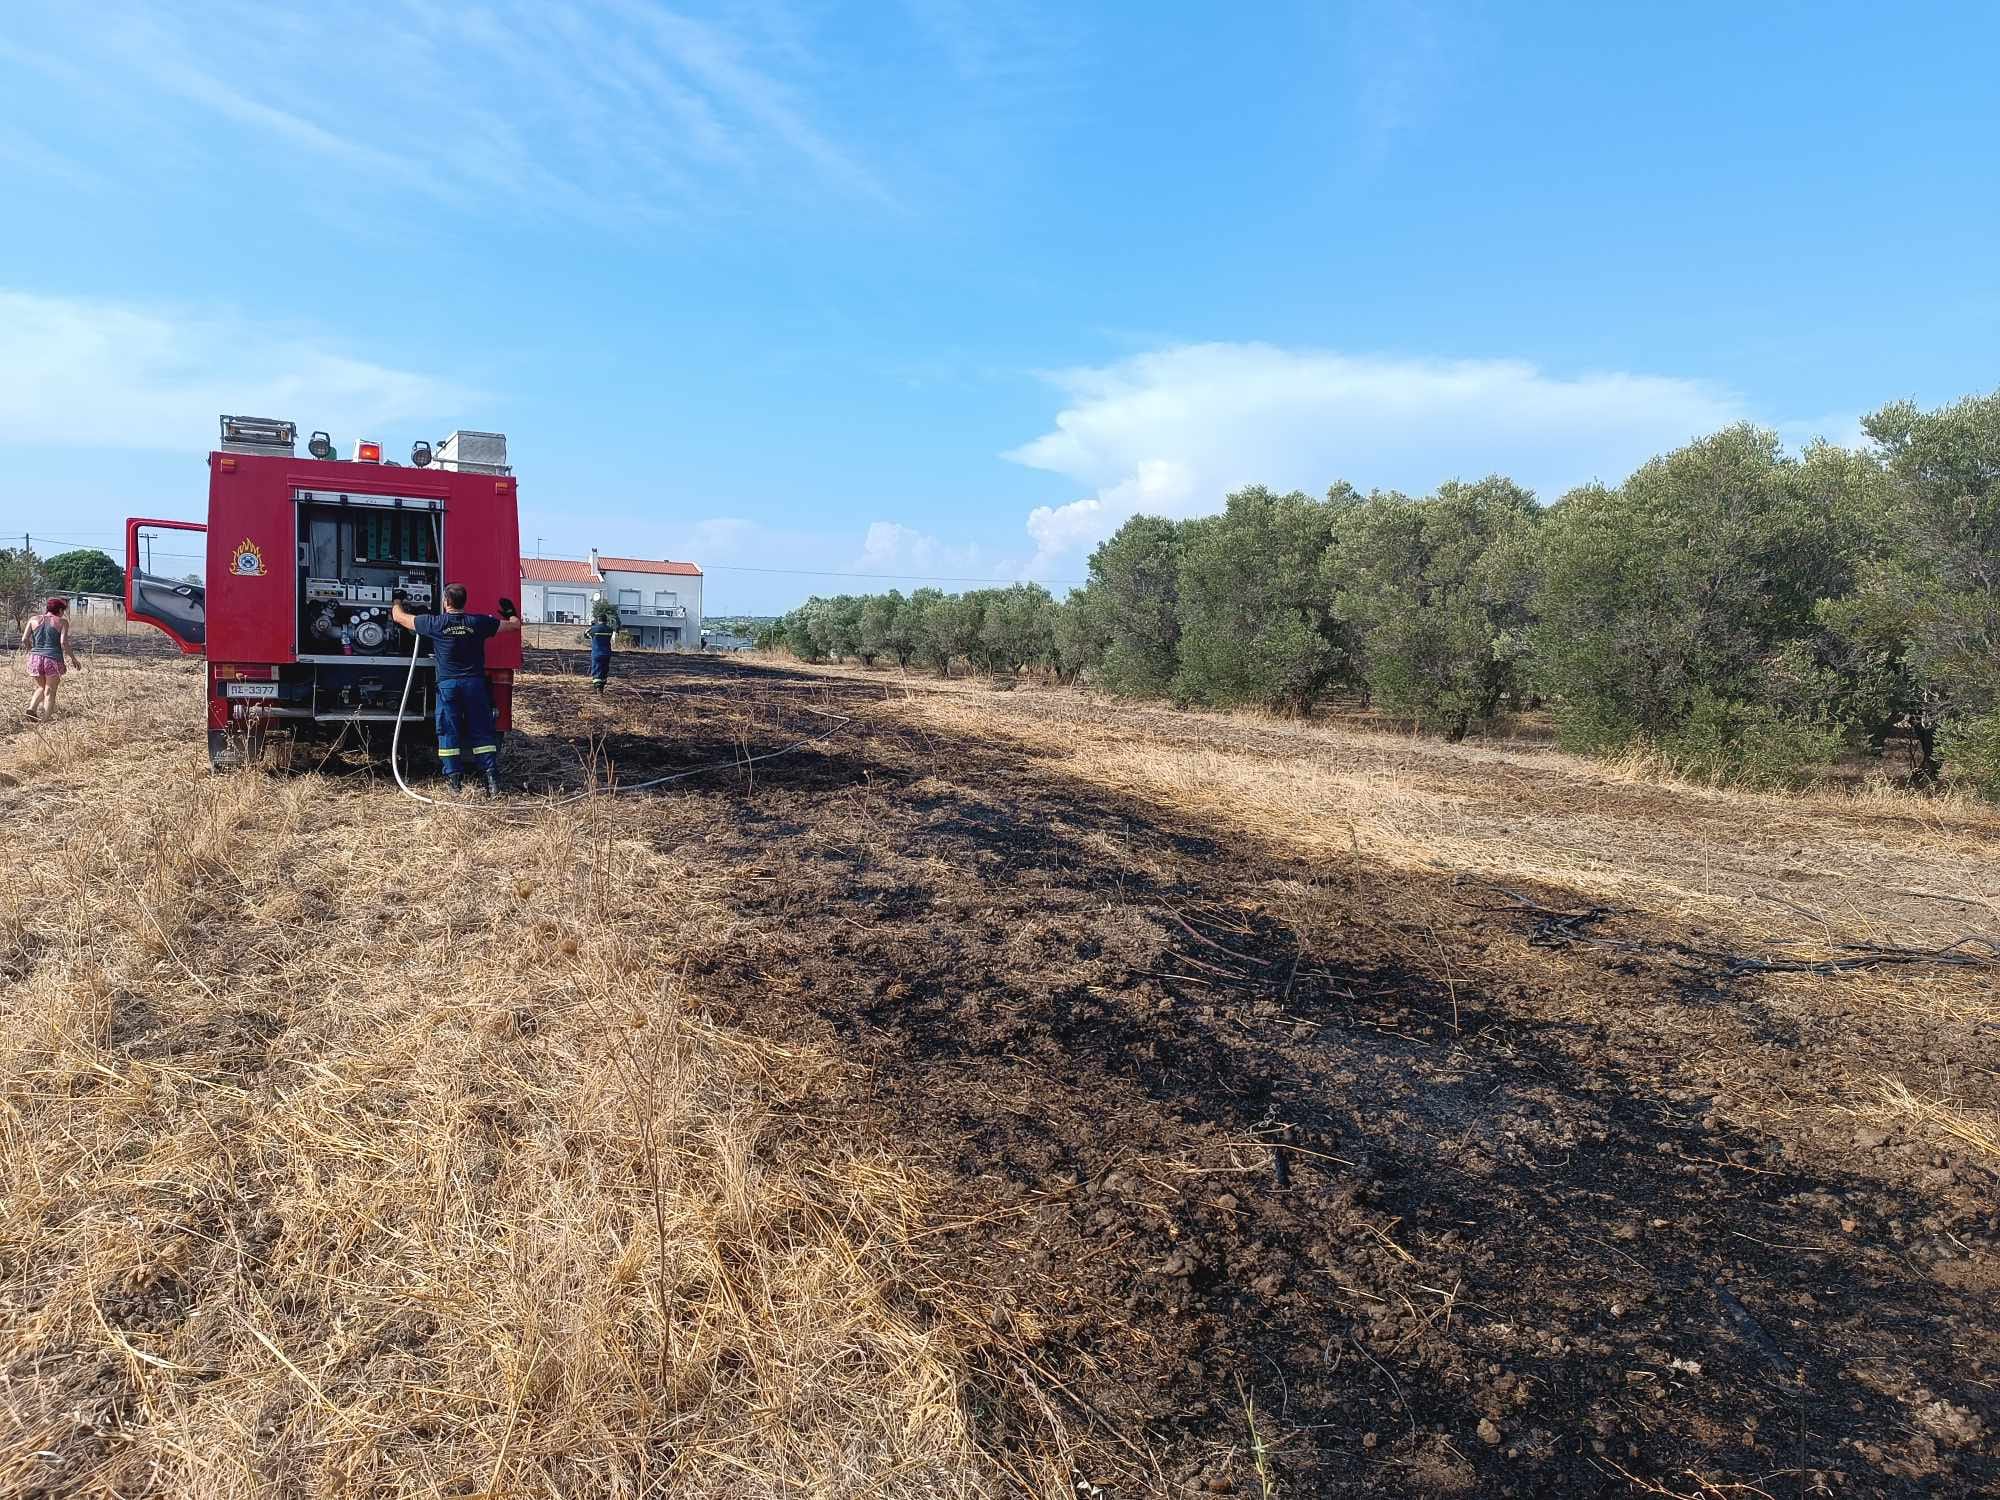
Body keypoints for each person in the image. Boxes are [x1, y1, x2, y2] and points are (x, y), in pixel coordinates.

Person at [390, 584, 521, 795]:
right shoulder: (478, 623)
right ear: (464, 602)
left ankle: (454, 782)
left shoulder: (434, 623)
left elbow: (399, 617)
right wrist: (511, 613)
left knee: (448, 731)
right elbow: (514, 626)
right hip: (475, 685)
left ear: (445, 602)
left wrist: (397, 599)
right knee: (481, 731)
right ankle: (491, 779)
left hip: (448, 686)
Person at [20, 597, 82, 722]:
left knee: (42, 687)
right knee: (50, 690)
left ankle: (31, 708)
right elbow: (63, 642)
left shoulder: (33, 619)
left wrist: (31, 650)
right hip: (53, 659)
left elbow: (24, 639)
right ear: (59, 610)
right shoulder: (62, 622)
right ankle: (45, 720)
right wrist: (74, 659)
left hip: (35, 658)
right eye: (63, 610)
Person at [585, 612, 615, 693]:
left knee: (596, 669)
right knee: (604, 670)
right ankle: (602, 688)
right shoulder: (610, 630)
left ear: (598, 620)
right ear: (606, 620)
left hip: (597, 653)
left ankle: (598, 688)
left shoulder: (594, 629)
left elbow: (586, 635)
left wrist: (592, 626)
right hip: (607, 653)